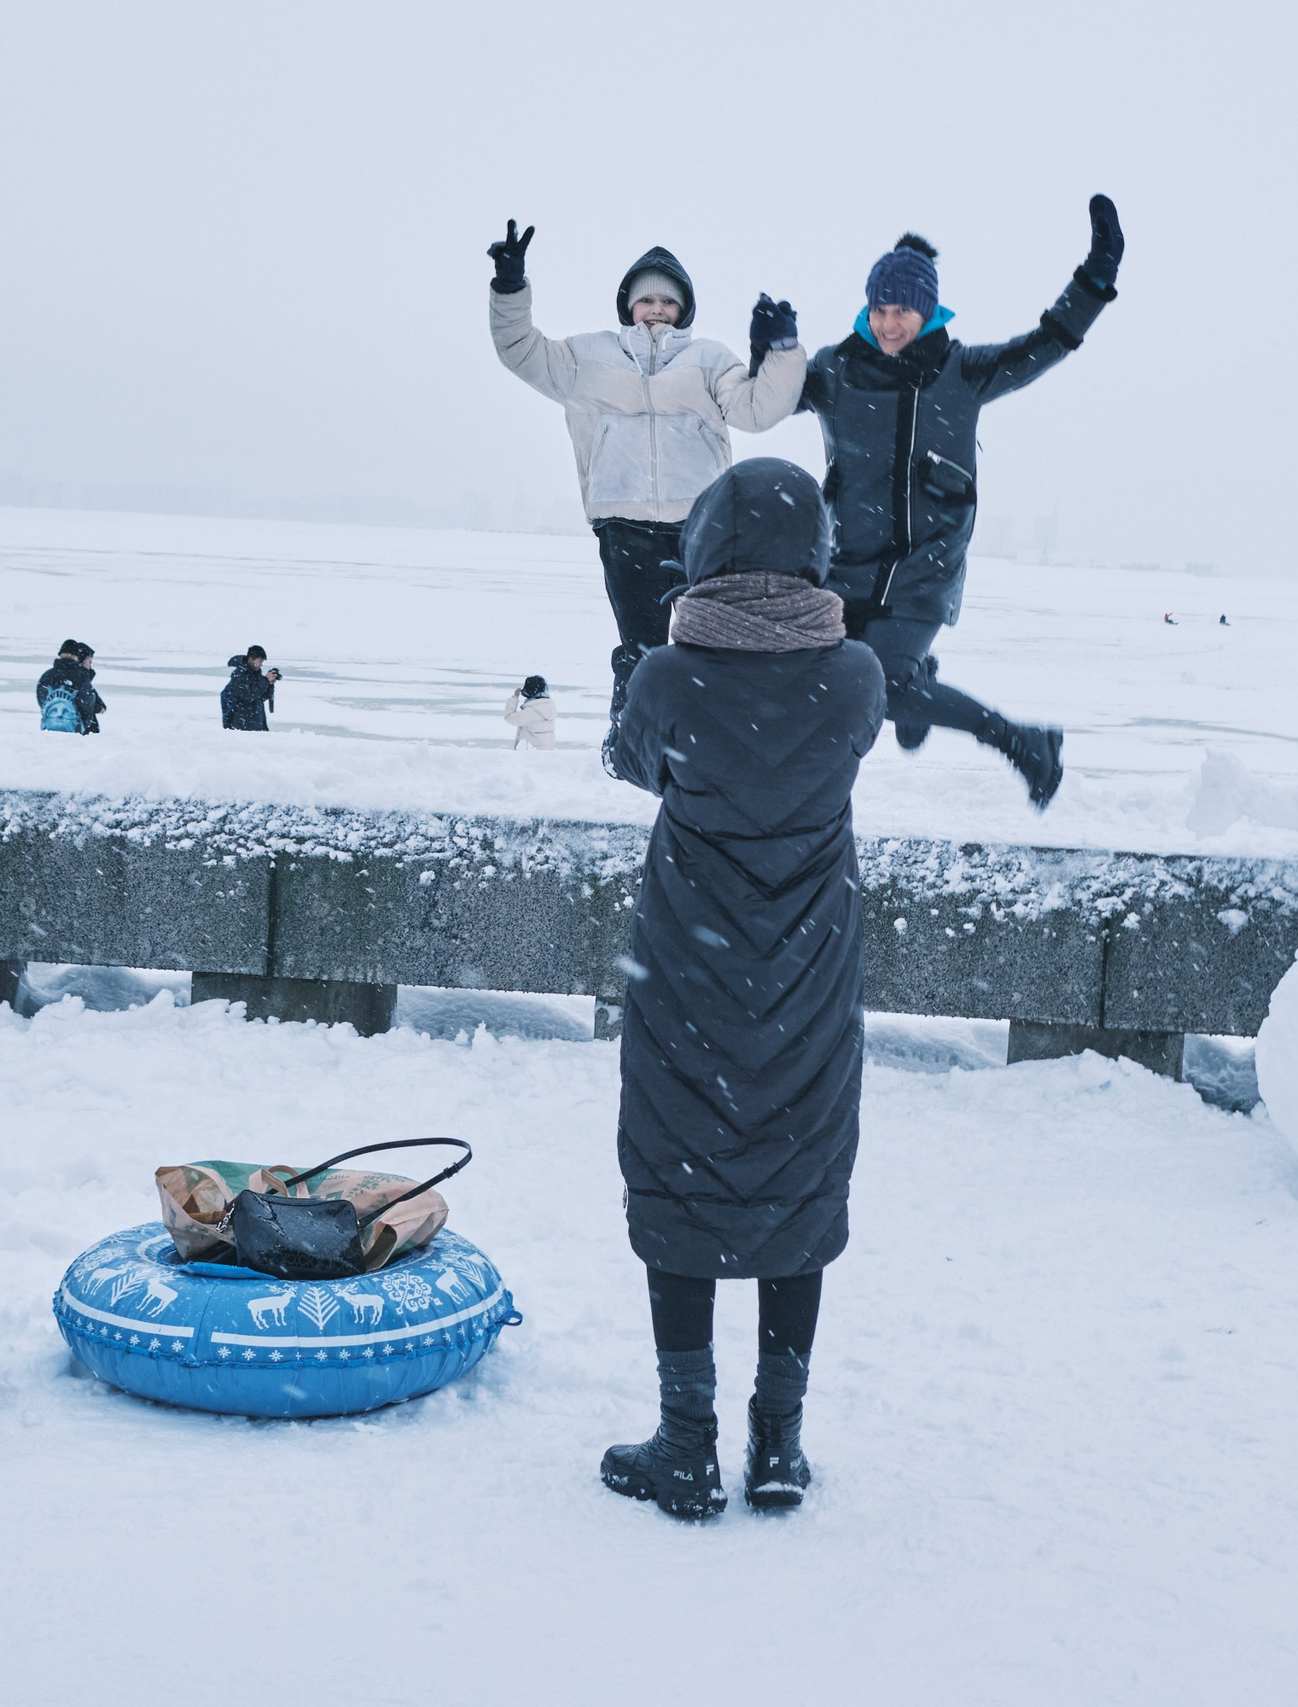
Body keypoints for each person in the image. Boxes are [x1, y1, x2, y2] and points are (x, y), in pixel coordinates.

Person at [601, 457, 885, 1519]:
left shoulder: (669, 676)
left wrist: (632, 675)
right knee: (796, 1182)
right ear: (812, 549)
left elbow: (632, 765)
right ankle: (779, 1445)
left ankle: (685, 1443)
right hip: (809, 966)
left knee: (679, 1175)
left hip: (688, 965)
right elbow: (820, 757)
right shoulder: (853, 673)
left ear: (707, 544)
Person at [797, 198, 1127, 809]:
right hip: (845, 565)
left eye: (904, 311)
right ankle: (918, 680)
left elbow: (1051, 341)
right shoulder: (836, 370)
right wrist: (775, 350)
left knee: (883, 689)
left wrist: (1097, 276)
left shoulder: (962, 372)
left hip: (927, 569)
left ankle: (1021, 741)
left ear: (928, 312)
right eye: (881, 309)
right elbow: (768, 399)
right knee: (812, 680)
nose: (890, 324)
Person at [486, 218, 806, 768]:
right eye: (646, 299)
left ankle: (708, 752)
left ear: (684, 308)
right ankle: (628, 748)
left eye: (668, 300)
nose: (656, 308)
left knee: (709, 642)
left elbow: (758, 410)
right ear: (627, 305)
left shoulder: (708, 358)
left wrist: (780, 350)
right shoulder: (586, 357)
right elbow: (520, 349)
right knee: (640, 646)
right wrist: (511, 287)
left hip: (701, 527)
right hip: (623, 521)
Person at [36, 638, 107, 735]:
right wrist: (84, 724)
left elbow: (42, 700)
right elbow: (87, 705)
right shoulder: (80, 677)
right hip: (74, 731)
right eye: (89, 661)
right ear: (76, 656)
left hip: (49, 728)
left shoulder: (47, 676)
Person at [220, 645, 278, 732]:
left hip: (256, 722)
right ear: (250, 659)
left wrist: (269, 685)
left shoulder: (256, 674)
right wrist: (265, 681)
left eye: (261, 662)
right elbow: (248, 695)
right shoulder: (239, 674)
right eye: (259, 661)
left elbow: (260, 697)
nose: (260, 665)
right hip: (242, 724)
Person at [503, 675, 556, 750]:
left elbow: (509, 717)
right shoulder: (549, 707)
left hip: (531, 753)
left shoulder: (532, 711)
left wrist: (514, 698)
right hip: (547, 750)